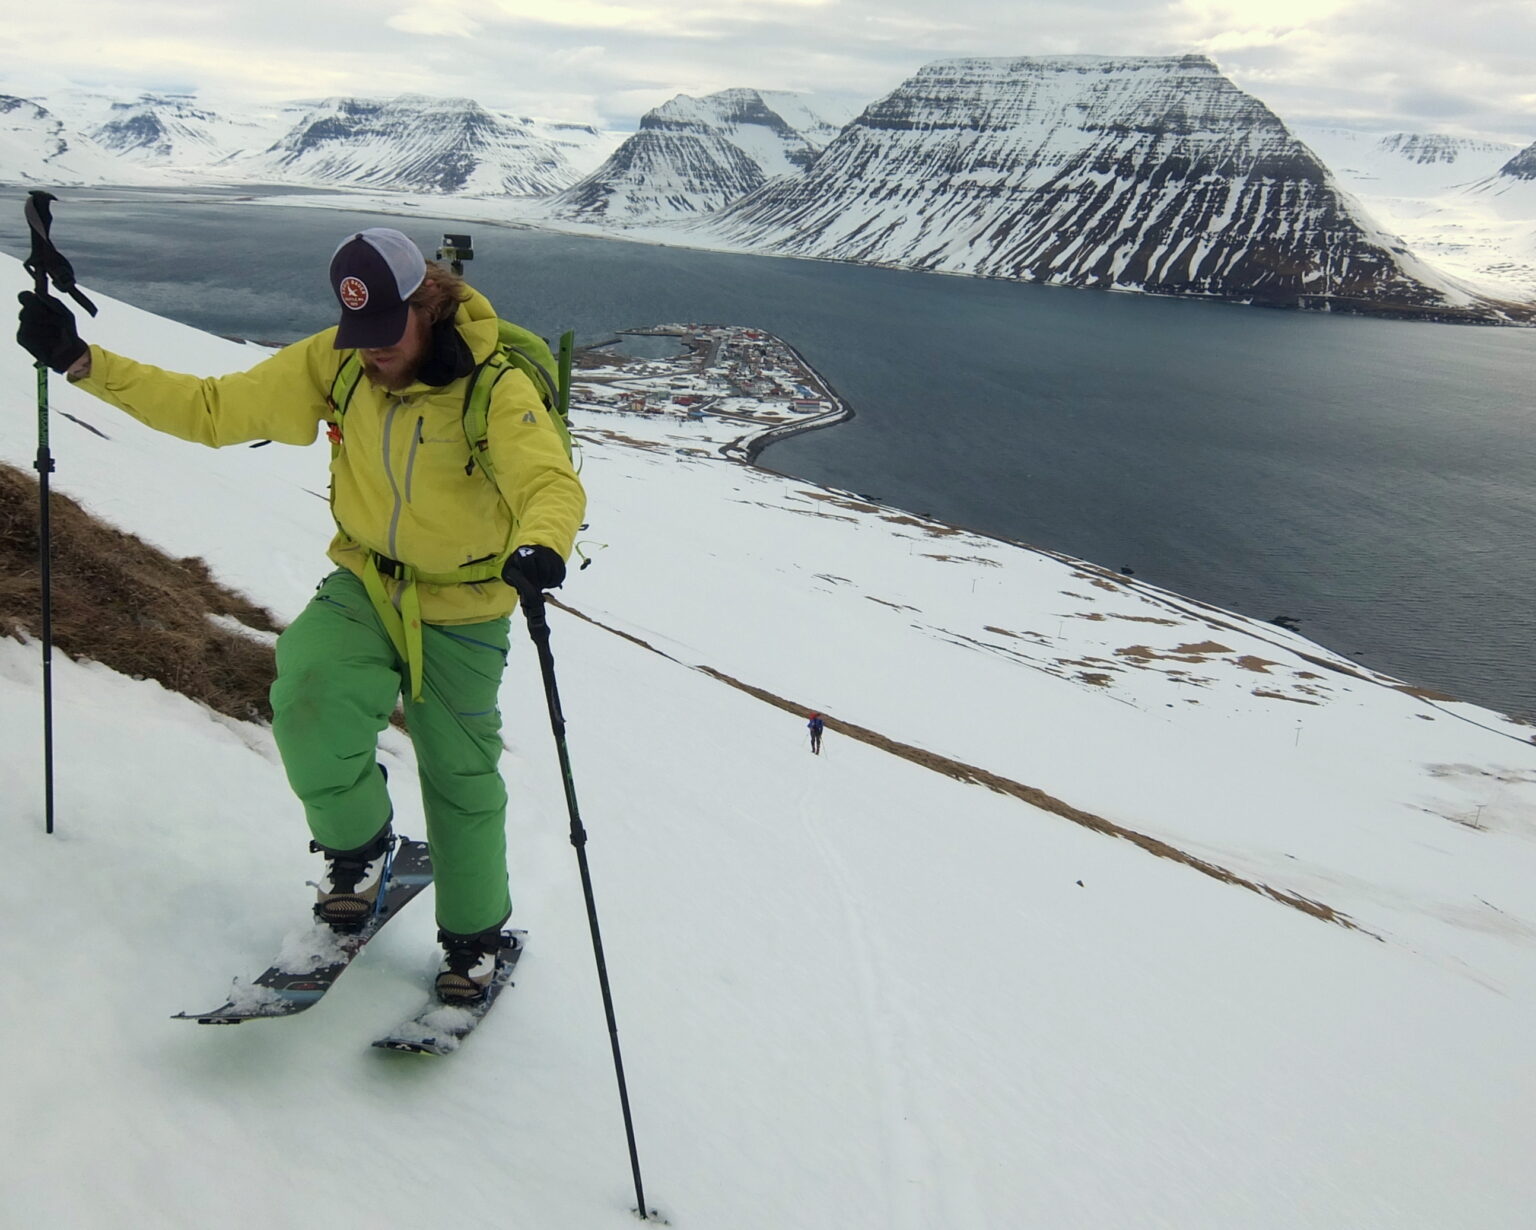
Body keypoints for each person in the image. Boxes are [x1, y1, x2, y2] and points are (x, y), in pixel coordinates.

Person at [16, 228, 585, 1003]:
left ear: (427, 306)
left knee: (459, 773)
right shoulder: (340, 361)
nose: (373, 354)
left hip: (464, 604)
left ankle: (474, 938)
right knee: (307, 695)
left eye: (387, 334)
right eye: (361, 336)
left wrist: (542, 548)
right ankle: (359, 849)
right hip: (365, 583)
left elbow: (548, 481)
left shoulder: (496, 384)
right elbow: (215, 409)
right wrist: (85, 365)